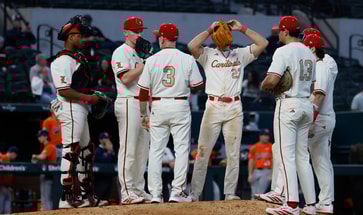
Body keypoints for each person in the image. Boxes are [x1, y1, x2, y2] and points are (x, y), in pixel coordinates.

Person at [187, 19, 268, 201]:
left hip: (234, 106)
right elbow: (192, 45)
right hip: (213, 105)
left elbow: (263, 43)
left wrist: (242, 28)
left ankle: (230, 193)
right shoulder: (207, 54)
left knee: (233, 152)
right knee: (202, 151)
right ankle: (194, 193)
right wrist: (210, 29)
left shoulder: (240, 54)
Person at [137, 22, 203, 203]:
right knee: (181, 149)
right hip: (180, 104)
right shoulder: (187, 58)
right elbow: (198, 85)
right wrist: (184, 84)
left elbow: (142, 92)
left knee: (156, 151)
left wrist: (144, 114)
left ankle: (156, 194)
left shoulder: (151, 60)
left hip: (158, 106)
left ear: (162, 38)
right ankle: (177, 192)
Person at [260, 16, 316, 215]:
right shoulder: (309, 53)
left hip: (289, 104)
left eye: (279, 31)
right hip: (306, 104)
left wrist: (264, 84)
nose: (279, 34)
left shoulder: (283, 50)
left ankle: (291, 204)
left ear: (284, 31)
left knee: (286, 156)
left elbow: (273, 78)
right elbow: (312, 84)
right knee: (302, 157)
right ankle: (310, 205)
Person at [50, 15, 102, 208]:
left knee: (86, 151)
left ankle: (86, 196)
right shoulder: (62, 60)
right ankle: (66, 197)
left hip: (79, 107)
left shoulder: (78, 58)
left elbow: (79, 86)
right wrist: (90, 98)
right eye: (80, 35)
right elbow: (64, 90)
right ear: (70, 37)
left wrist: (93, 94)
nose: (83, 39)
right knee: (70, 150)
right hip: (70, 106)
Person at [111, 16, 150, 205]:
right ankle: (127, 191)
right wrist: (145, 65)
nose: (139, 34)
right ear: (126, 32)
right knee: (129, 149)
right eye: (136, 31)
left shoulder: (139, 54)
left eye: (141, 31)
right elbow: (125, 78)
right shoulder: (121, 52)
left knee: (142, 150)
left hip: (142, 103)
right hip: (127, 101)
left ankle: (138, 189)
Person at [304, 34, 337, 214]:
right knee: (321, 160)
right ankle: (325, 203)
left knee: (292, 153)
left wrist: (310, 121)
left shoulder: (322, 65)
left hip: (318, 119)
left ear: (312, 48)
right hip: (323, 118)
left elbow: (319, 95)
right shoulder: (319, 65)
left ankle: (290, 197)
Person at [31, 129, 57, 211]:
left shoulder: (50, 146)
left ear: (45, 137)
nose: (39, 138)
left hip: (48, 174)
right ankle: (46, 211)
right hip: (46, 174)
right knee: (44, 196)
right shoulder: (46, 146)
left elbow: (42, 157)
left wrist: (34, 156)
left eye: (40, 136)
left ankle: (48, 211)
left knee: (46, 196)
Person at [248, 129, 273, 200]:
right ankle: (252, 210)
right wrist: (250, 174)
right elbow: (251, 161)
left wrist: (271, 174)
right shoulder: (254, 147)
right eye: (265, 135)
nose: (267, 137)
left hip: (267, 171)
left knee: (260, 193)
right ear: (260, 136)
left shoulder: (271, 146)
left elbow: (274, 161)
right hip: (256, 171)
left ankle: (258, 209)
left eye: (268, 135)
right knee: (253, 194)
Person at [94, 132, 116, 206]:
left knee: (108, 195)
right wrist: (109, 152)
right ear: (100, 140)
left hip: (109, 175)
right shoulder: (98, 149)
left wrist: (111, 151)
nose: (107, 140)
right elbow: (102, 160)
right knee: (100, 194)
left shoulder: (109, 148)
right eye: (105, 138)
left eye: (108, 138)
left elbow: (116, 160)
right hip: (100, 177)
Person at [0, 146, 18, 214]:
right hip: (2, 186)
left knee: (7, 207)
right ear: (13, 153)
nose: (15, 157)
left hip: (7, 187)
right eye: (15, 155)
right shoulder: (4, 157)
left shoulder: (7, 159)